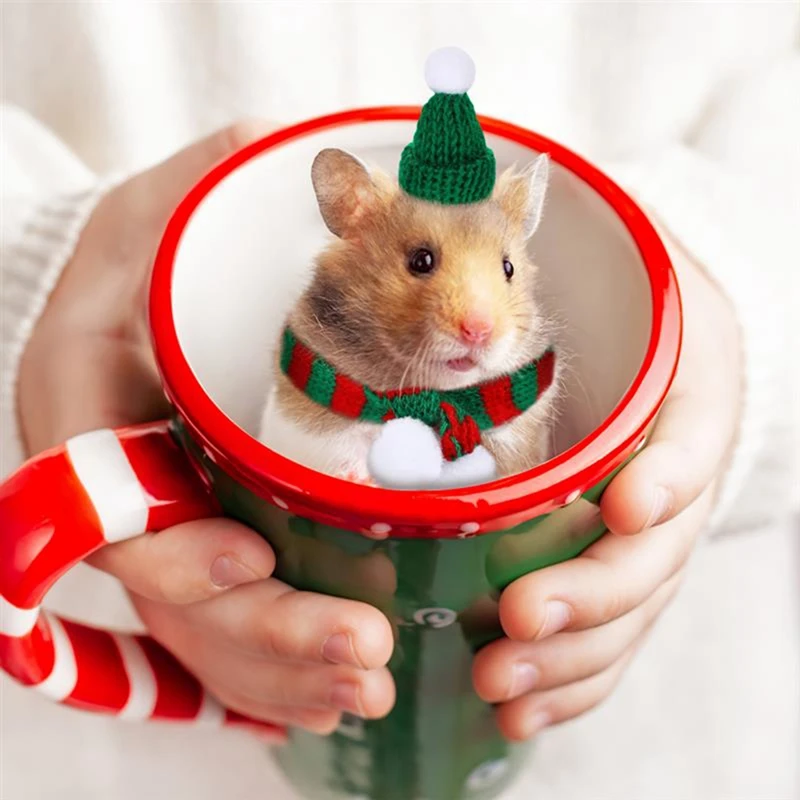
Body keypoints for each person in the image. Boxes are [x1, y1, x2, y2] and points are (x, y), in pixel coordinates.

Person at [1, 4, 798, 799]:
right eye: (422, 262)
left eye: (504, 272)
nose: (478, 321)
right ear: (350, 216)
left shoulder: (520, 374)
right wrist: (33, 285)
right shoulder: (318, 359)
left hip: (657, 722)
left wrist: (737, 292)